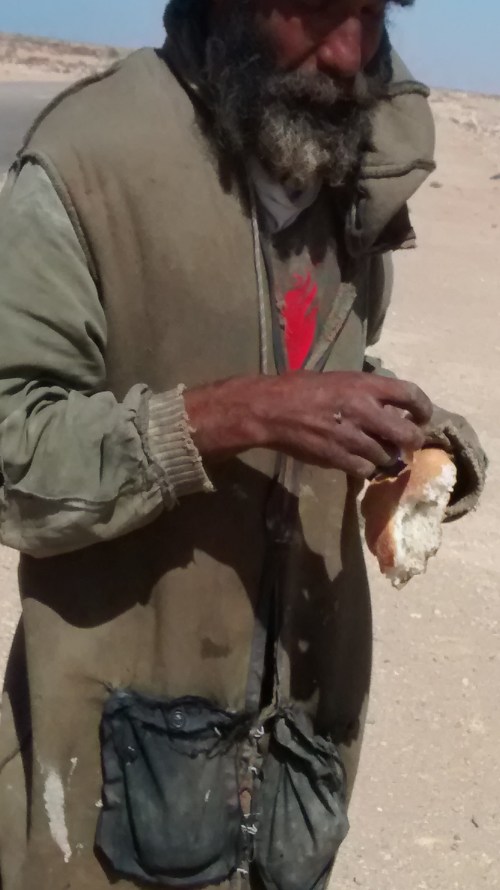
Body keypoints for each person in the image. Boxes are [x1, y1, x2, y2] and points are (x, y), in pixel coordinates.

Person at [0, 1, 487, 888]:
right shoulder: (87, 162)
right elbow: (13, 450)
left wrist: (410, 439)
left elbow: (323, 358)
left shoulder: (352, 166)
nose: (349, 53)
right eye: (315, 11)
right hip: (111, 771)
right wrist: (233, 417)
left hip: (296, 767)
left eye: (371, 13)